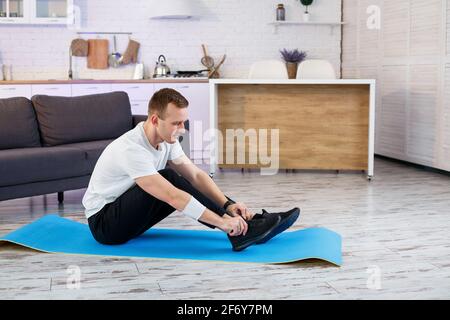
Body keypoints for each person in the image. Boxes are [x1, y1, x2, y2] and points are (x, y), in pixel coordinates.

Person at [82, 88, 299, 251]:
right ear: (155, 120)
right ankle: (236, 231)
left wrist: (228, 205)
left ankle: (246, 226)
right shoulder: (131, 148)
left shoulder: (168, 138)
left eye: (184, 123)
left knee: (178, 177)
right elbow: (172, 195)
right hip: (105, 225)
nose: (182, 130)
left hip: (126, 215)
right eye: (177, 123)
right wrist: (223, 223)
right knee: (168, 179)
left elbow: (195, 176)